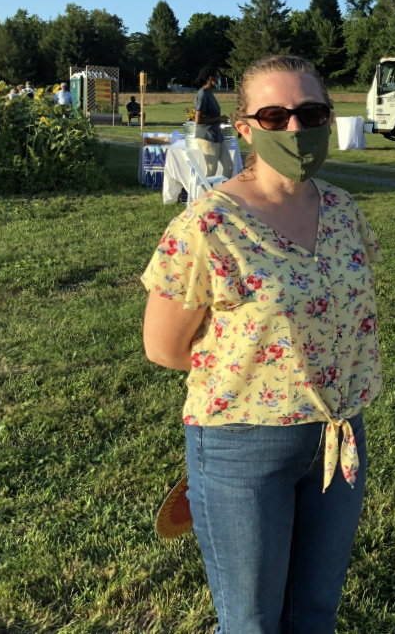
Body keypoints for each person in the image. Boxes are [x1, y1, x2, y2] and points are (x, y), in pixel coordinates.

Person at [142, 54, 382, 634]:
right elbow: (165, 347)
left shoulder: (344, 210)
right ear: (245, 128)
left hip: (337, 439)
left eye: (311, 112)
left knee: (314, 614)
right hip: (241, 446)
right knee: (251, 621)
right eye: (274, 116)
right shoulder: (208, 224)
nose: (296, 129)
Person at [193, 66, 233, 178]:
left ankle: (224, 193)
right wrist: (218, 119)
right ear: (211, 78)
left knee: (229, 166)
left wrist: (221, 120)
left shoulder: (210, 93)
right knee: (211, 170)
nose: (219, 80)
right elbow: (198, 120)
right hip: (207, 136)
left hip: (217, 135)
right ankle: (206, 194)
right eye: (218, 77)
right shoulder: (202, 94)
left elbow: (213, 115)